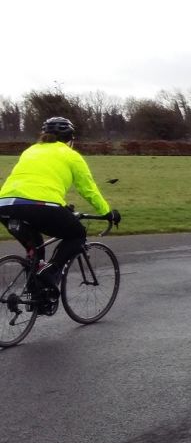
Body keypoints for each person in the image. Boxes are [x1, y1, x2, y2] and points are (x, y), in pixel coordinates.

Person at [0, 116, 119, 309]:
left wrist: (61, 207)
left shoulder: (30, 150)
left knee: (36, 246)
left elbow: (37, 181)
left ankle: (35, 296)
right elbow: (88, 189)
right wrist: (107, 212)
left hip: (5, 205)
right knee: (77, 233)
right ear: (70, 138)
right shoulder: (71, 155)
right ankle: (51, 271)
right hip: (40, 205)